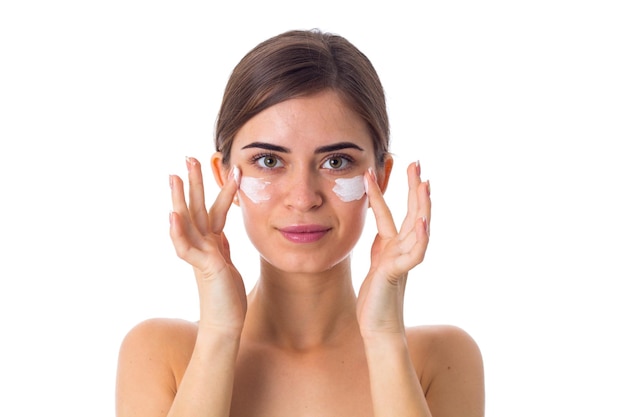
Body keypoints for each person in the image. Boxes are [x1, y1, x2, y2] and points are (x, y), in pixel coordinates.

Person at [115, 29, 484, 417]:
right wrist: (219, 332)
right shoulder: (162, 352)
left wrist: (384, 337)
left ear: (381, 175)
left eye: (336, 161)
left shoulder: (441, 358)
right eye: (270, 161)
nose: (304, 197)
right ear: (225, 179)